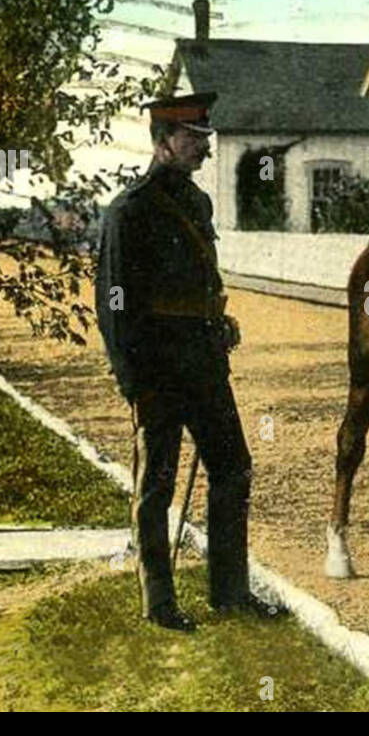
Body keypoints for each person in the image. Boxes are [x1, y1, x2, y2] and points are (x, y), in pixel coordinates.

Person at [95, 92, 282, 630]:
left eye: (206, 139)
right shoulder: (129, 211)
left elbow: (203, 279)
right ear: (162, 143)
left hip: (203, 362)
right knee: (157, 484)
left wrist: (217, 319)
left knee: (233, 468)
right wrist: (133, 380)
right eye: (192, 140)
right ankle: (159, 604)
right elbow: (114, 303)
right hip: (157, 369)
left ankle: (230, 593)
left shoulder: (197, 204)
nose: (204, 148)